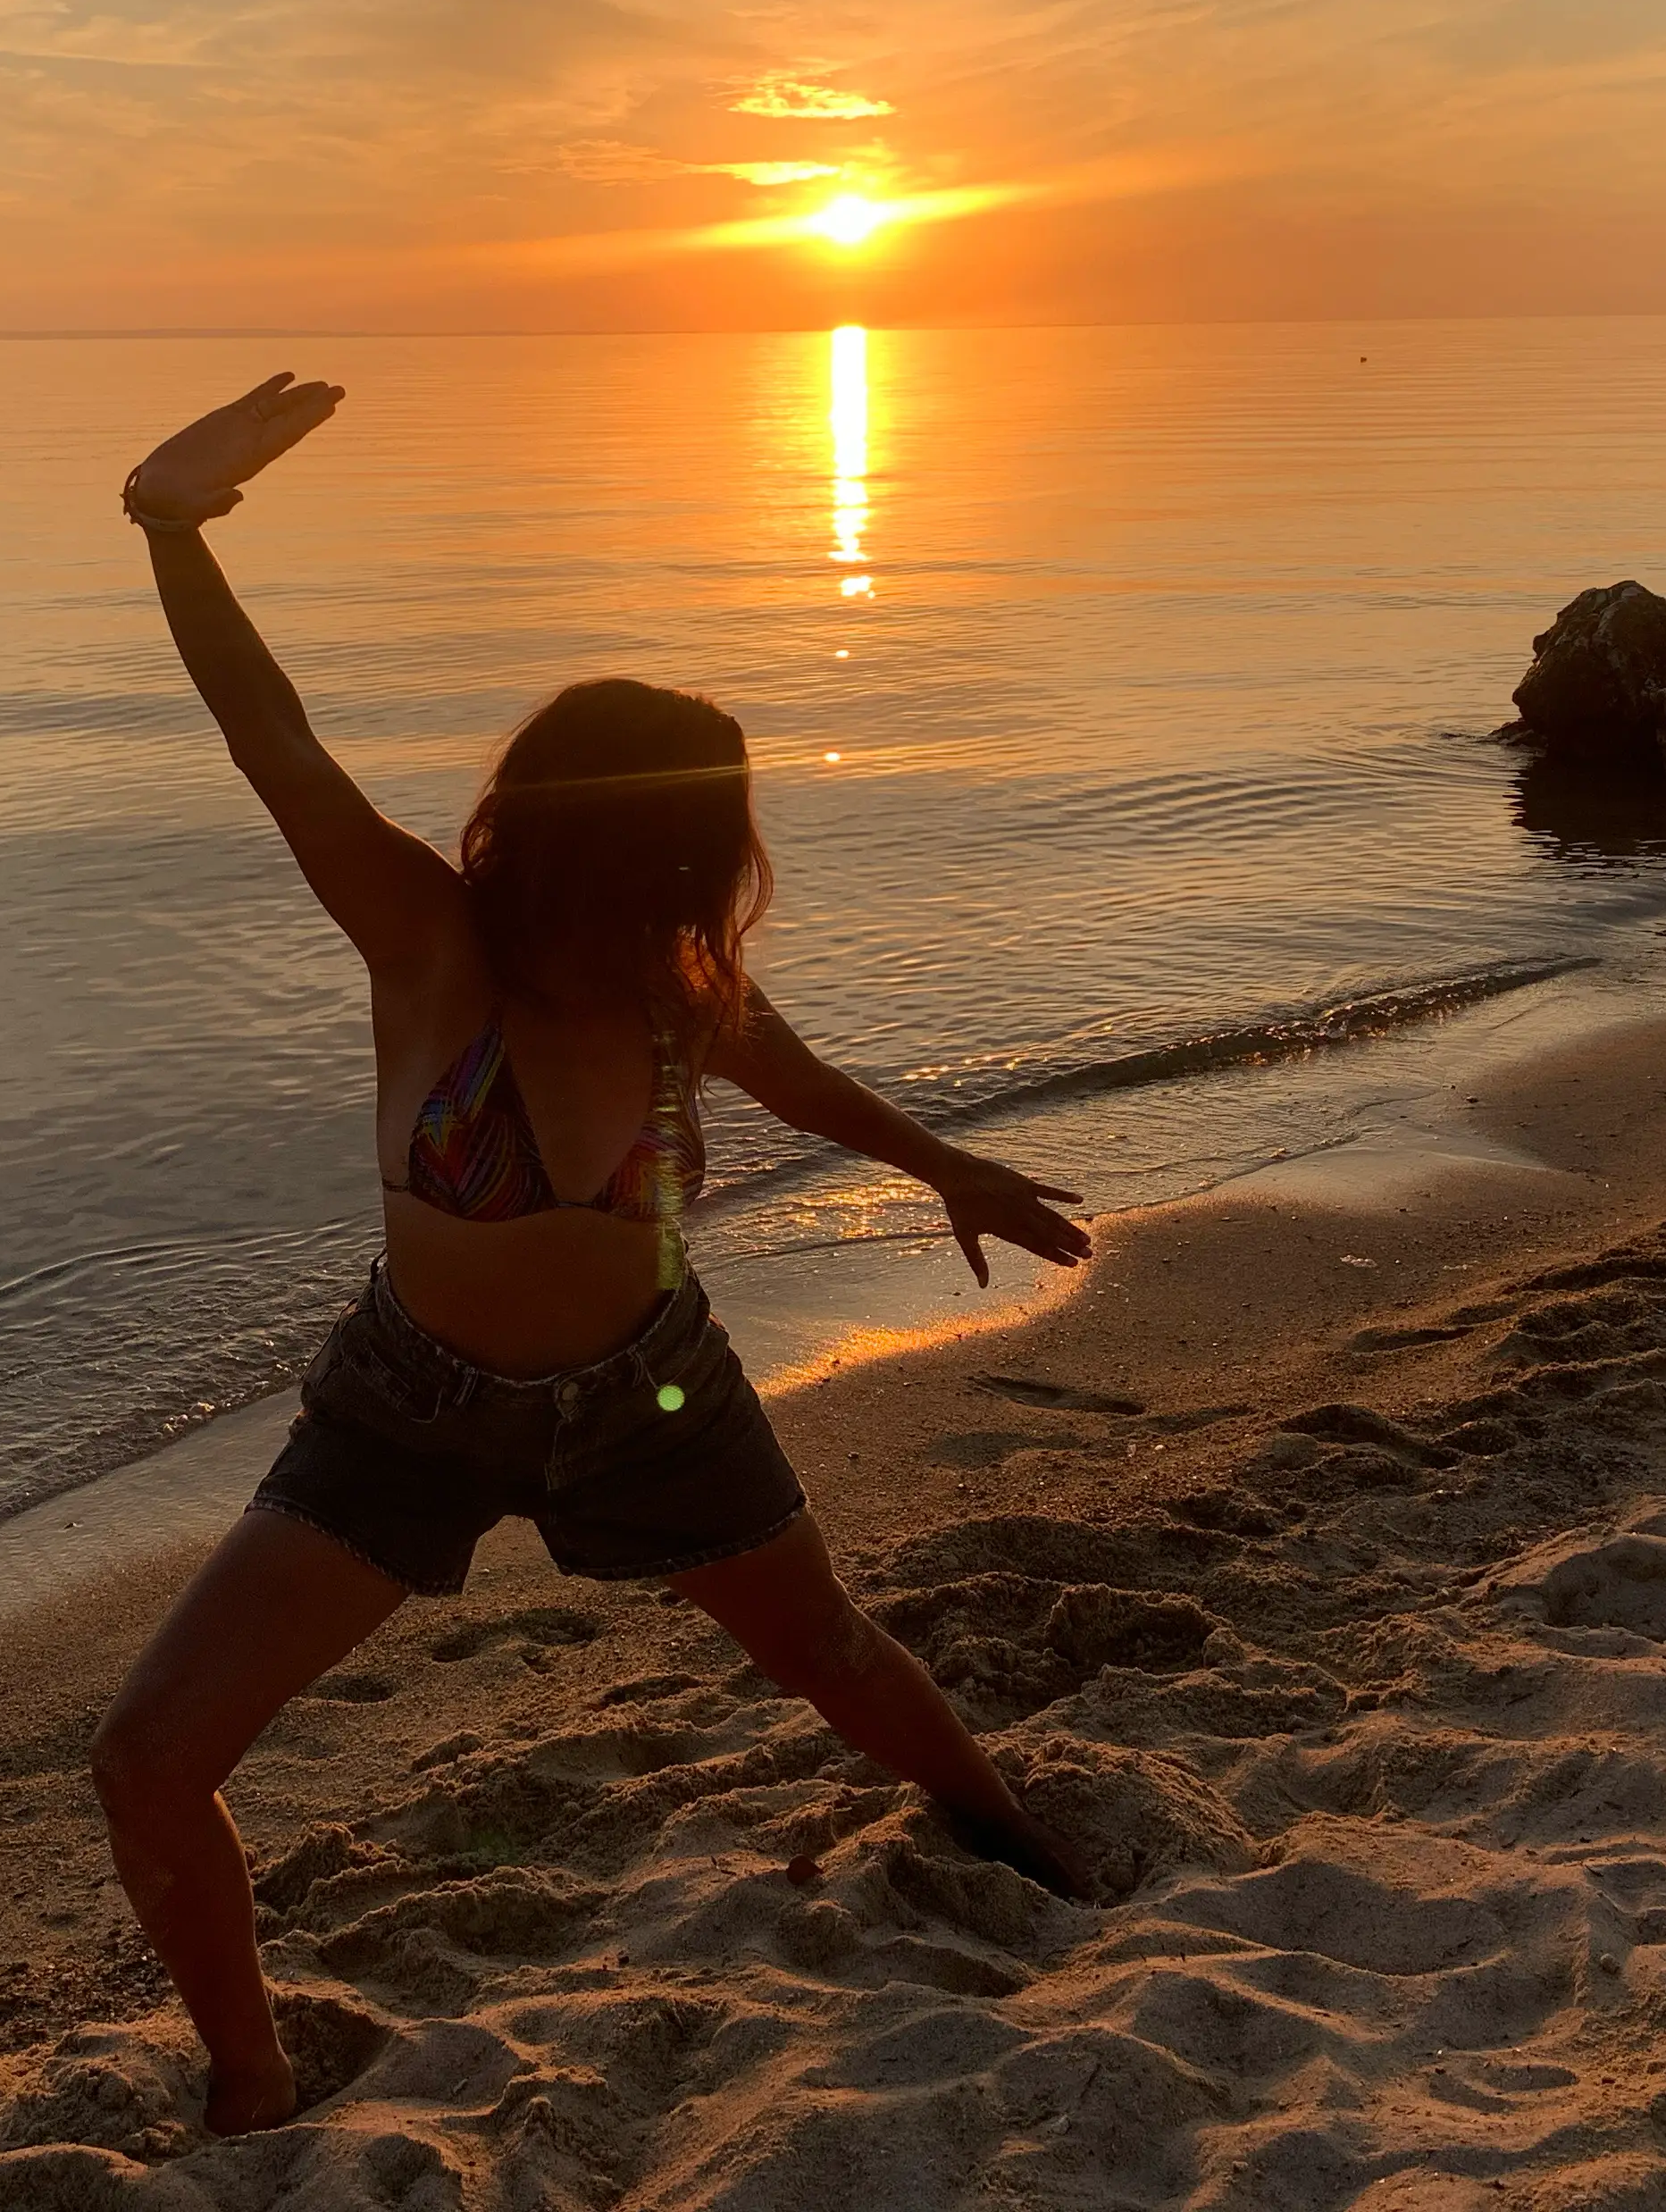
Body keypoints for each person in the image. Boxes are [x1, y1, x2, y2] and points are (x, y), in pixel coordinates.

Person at [92, 372, 1097, 2133]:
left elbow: (795, 1079)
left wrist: (951, 1168)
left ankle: (1014, 1833)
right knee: (150, 1763)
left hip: (656, 1391)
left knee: (835, 1657)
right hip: (408, 1407)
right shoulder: (420, 939)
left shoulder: (678, 994)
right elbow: (272, 734)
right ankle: (252, 2080)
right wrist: (171, 531)